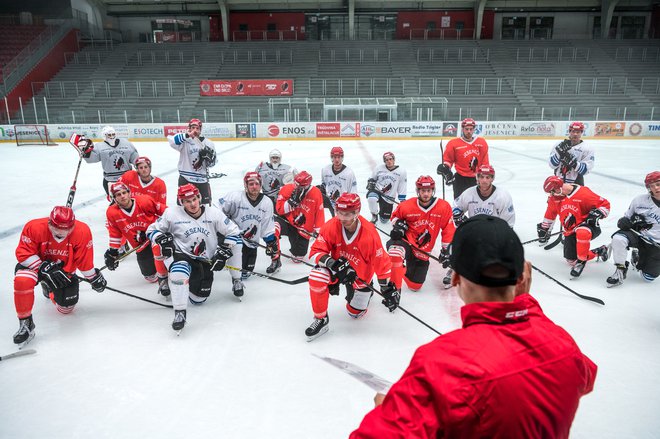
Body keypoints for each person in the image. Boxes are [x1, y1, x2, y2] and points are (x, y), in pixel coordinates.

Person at [351, 215, 598, 439]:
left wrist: (387, 410)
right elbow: (585, 377)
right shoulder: (564, 345)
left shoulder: (442, 362)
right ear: (521, 277)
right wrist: (525, 305)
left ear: (456, 278)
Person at [147, 184, 242, 332]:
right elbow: (151, 230)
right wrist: (161, 238)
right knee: (179, 270)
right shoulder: (171, 214)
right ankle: (179, 312)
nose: (192, 204)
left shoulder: (213, 213)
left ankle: (234, 278)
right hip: (182, 254)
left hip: (205, 259)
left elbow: (234, 232)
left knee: (199, 300)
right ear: (181, 202)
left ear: (199, 198)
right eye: (187, 201)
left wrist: (224, 252)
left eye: (194, 199)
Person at [305, 193, 398, 341]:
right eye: (340, 213)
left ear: (357, 212)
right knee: (317, 275)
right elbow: (315, 252)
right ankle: (321, 319)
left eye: (347, 214)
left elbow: (382, 264)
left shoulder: (369, 234)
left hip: (360, 277)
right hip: (337, 272)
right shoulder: (331, 226)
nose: (342, 218)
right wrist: (333, 264)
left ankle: (366, 290)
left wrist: (386, 288)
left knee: (355, 314)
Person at [12, 206, 107, 346]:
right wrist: (42, 266)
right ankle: (26, 323)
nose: (62, 232)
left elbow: (84, 260)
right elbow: (23, 252)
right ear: (50, 223)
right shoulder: (34, 227)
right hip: (35, 267)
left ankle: (50, 289)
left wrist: (93, 278)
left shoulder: (82, 231)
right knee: (22, 280)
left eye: (67, 229)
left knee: (66, 309)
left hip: (63, 272)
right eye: (58, 228)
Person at [388, 176, 455, 292]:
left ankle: (401, 269)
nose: (425, 194)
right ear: (417, 191)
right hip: (405, 243)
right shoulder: (407, 205)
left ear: (433, 191)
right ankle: (394, 289)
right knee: (395, 252)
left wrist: (446, 250)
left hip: (422, 251)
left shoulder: (443, 207)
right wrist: (398, 226)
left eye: (428, 190)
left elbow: (448, 229)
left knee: (415, 286)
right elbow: (394, 217)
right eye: (423, 190)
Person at [537, 176, 610, 278]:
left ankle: (581, 263)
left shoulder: (583, 193)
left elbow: (605, 205)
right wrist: (544, 228)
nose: (551, 194)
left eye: (552, 192)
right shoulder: (554, 198)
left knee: (582, 232)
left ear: (559, 188)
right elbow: (550, 213)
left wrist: (597, 214)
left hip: (588, 226)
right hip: (570, 230)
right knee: (571, 260)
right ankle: (599, 251)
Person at [104, 182, 169, 296]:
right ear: (114, 199)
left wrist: (155, 229)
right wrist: (113, 252)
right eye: (118, 194)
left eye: (124, 192)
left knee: (165, 256)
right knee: (150, 277)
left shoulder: (144, 201)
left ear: (129, 193)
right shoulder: (112, 212)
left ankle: (165, 277)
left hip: (156, 237)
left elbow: (167, 213)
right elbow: (115, 233)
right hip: (140, 245)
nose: (122, 196)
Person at [219, 172, 281, 279]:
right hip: (235, 239)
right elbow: (217, 211)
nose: (254, 187)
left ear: (261, 185)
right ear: (245, 185)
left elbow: (267, 225)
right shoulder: (235, 197)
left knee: (245, 274)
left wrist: (270, 241)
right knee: (238, 272)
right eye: (251, 184)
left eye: (257, 184)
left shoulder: (266, 202)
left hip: (252, 242)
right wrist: (225, 224)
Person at [606, 171, 660, 287]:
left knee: (648, 278)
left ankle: (636, 258)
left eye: (658, 184)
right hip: (639, 235)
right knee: (619, 238)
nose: (655, 188)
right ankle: (620, 269)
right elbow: (626, 218)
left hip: (656, 243)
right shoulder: (640, 201)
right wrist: (624, 222)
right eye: (651, 185)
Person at [275, 171, 325, 262]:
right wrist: (291, 202)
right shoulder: (286, 189)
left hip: (303, 228)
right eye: (296, 184)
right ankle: (274, 256)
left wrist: (318, 231)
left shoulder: (316, 193)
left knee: (298, 258)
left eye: (301, 186)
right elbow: (279, 210)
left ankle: (297, 246)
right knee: (274, 227)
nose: (297, 188)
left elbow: (319, 213)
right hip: (288, 222)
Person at [167, 118, 217, 205]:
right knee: (182, 206)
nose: (195, 130)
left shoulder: (209, 143)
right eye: (193, 127)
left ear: (200, 130)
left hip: (202, 180)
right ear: (189, 128)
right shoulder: (185, 140)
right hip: (186, 178)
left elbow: (213, 163)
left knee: (204, 207)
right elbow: (172, 141)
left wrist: (210, 159)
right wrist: (187, 135)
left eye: (197, 128)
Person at [436, 118, 489, 200]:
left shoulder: (481, 143)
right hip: (460, 179)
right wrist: (446, 168)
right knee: (459, 206)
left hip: (477, 179)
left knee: (477, 205)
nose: (469, 131)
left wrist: (484, 176)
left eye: (471, 129)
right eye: (466, 129)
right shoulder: (453, 144)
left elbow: (484, 162)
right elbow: (448, 160)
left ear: (474, 129)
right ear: (462, 129)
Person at [82, 126, 139, 197]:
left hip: (127, 179)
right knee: (116, 202)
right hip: (110, 181)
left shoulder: (126, 143)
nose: (111, 137)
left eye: (113, 134)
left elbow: (134, 157)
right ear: (104, 135)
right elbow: (91, 159)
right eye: (109, 135)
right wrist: (86, 151)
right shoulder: (99, 146)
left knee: (131, 200)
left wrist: (138, 165)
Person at [366, 151, 407, 223]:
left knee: (384, 220)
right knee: (371, 198)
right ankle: (374, 215)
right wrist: (370, 182)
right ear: (384, 161)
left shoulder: (401, 171)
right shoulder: (379, 168)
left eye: (390, 159)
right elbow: (372, 178)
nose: (389, 161)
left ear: (394, 159)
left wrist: (402, 199)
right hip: (377, 191)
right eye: (386, 160)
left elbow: (402, 185)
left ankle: (382, 216)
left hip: (389, 196)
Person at [319, 146, 358, 217]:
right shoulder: (325, 170)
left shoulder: (349, 173)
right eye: (334, 157)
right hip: (329, 200)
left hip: (343, 203)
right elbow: (324, 183)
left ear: (342, 157)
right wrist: (322, 187)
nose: (337, 160)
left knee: (340, 222)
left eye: (339, 157)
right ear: (331, 158)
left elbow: (353, 192)